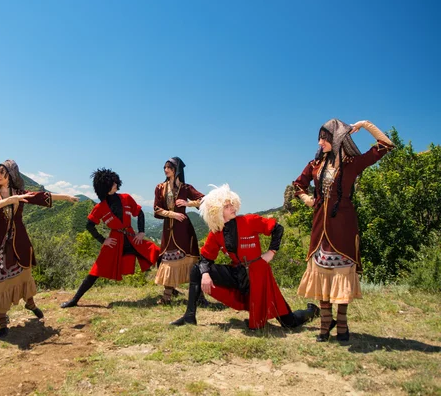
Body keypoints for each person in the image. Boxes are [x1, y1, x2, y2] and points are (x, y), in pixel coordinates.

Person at [293, 119, 394, 341]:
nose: (320, 142)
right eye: (319, 138)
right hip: (320, 228)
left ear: (337, 139)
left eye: (325, 138)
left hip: (345, 227)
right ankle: (325, 323)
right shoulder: (315, 165)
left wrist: (365, 125)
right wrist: (308, 200)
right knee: (322, 274)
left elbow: (386, 144)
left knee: (341, 277)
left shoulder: (353, 163)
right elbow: (298, 184)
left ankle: (342, 325)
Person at [170, 184, 319, 329]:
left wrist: (271, 252)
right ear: (217, 212)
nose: (233, 208)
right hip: (238, 275)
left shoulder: (249, 221)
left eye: (232, 205)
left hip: (259, 275)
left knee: (289, 323)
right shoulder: (216, 232)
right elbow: (206, 259)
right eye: (227, 207)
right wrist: (205, 274)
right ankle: (189, 316)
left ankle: (312, 311)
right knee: (197, 269)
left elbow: (277, 229)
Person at [0, 160, 78, 337]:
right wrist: (11, 200)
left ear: (10, 175)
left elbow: (40, 196)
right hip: (0, 247)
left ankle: (30, 303)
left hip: (19, 243)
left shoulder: (20, 193)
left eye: (1, 173)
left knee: (24, 275)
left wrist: (65, 196)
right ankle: (3, 322)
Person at [61, 168, 160, 308]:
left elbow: (140, 213)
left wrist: (142, 232)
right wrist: (103, 240)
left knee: (158, 253)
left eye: (115, 181)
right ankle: (74, 300)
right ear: (104, 187)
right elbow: (89, 225)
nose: (115, 184)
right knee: (96, 271)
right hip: (114, 242)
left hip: (132, 238)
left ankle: (169, 290)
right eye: (112, 182)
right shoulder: (100, 207)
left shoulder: (125, 198)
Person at [153, 157, 205, 304]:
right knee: (168, 261)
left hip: (183, 229)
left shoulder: (186, 188)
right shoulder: (160, 187)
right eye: (164, 167)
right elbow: (156, 209)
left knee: (191, 260)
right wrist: (173, 214)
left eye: (169, 167)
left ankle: (199, 297)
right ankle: (167, 297)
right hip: (169, 229)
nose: (166, 170)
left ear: (176, 170)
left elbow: (203, 200)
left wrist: (188, 203)